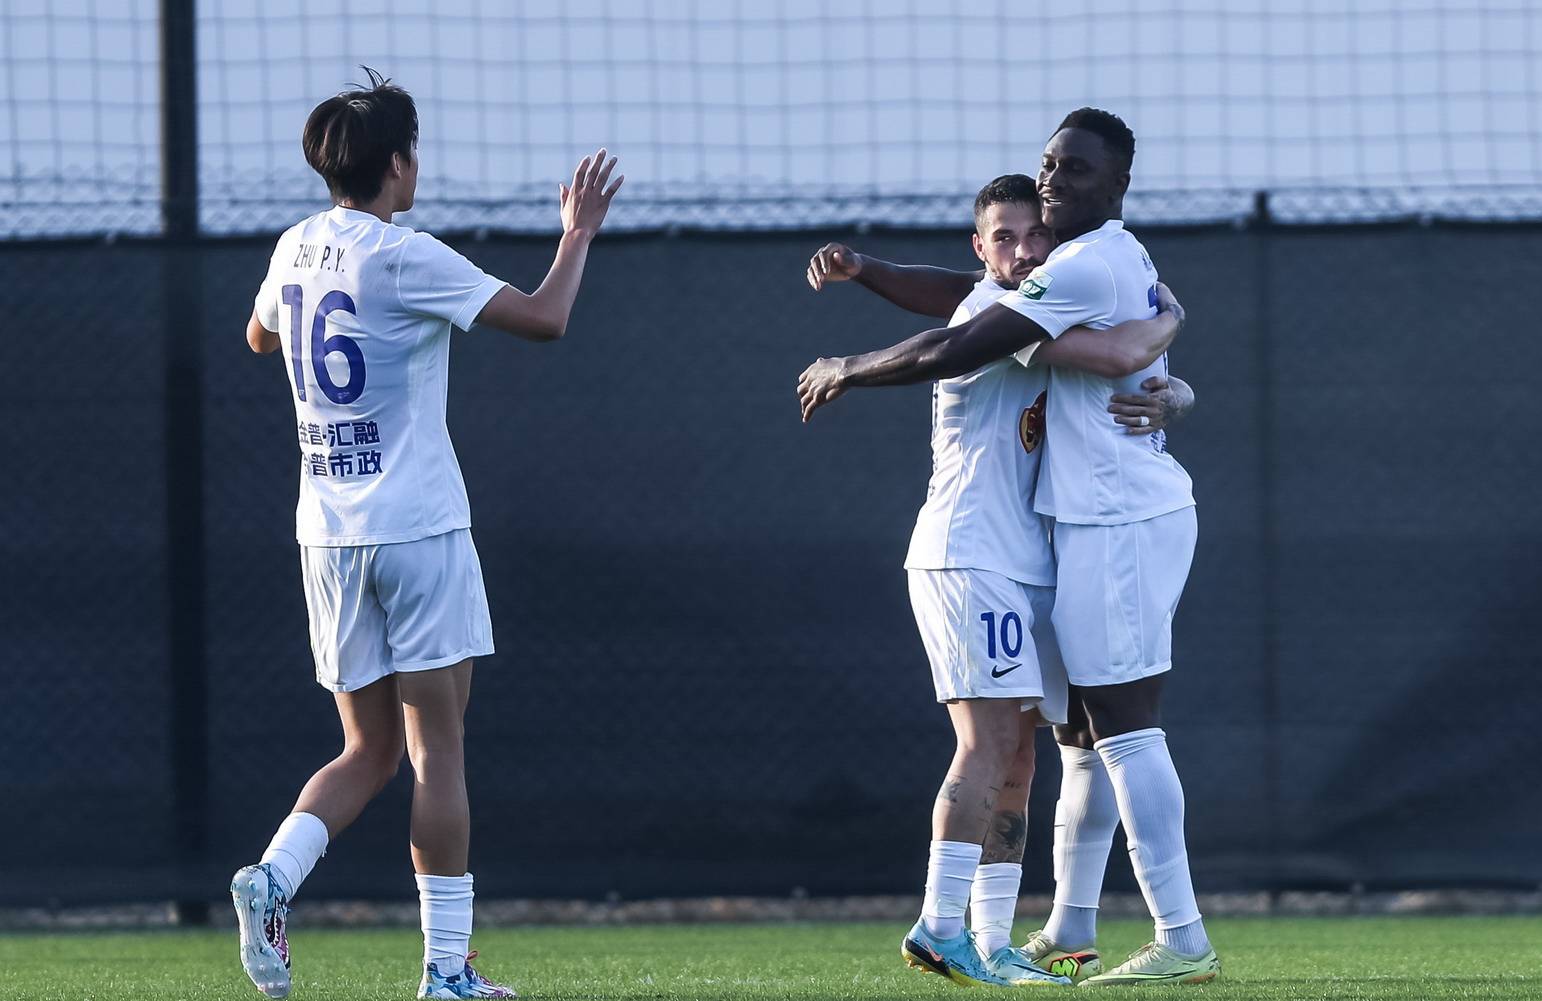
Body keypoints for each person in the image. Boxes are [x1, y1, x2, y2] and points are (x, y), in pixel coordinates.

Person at [798, 107, 1219, 987]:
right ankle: (1050, 927)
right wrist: (1164, 332)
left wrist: (848, 364)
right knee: (1068, 737)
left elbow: (983, 331)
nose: (1054, 187)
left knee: (1112, 729)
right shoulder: (1063, 272)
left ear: (1118, 184)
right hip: (1012, 543)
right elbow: (973, 307)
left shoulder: (1076, 268)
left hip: (1111, 518)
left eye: (1074, 172)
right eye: (1048, 165)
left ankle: (1176, 936)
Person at [232, 68, 621, 1000]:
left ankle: (273, 877)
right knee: (435, 752)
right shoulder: (404, 255)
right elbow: (546, 318)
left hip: (328, 534)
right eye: (414, 152)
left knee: (365, 749)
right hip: (415, 527)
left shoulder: (294, 246)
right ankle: (446, 969)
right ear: (397, 164)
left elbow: (258, 337)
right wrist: (576, 235)